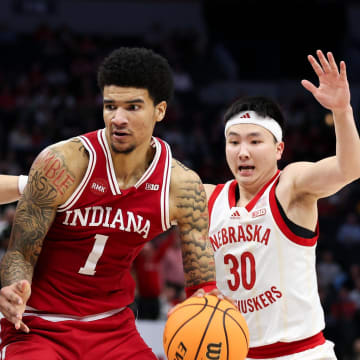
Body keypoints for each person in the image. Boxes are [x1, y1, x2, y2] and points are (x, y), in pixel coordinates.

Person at [0, 47, 219, 360]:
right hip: (38, 325)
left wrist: (206, 307)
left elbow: (202, 284)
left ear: (160, 110)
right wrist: (12, 286)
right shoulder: (63, 163)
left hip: (114, 330)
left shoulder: (182, 187)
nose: (118, 118)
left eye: (132, 107)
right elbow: (19, 252)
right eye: (110, 106)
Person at [205, 50, 360, 359]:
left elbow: (350, 168)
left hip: (301, 354)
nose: (243, 152)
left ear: (279, 149)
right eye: (233, 142)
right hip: (237, 353)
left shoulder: (289, 186)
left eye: (254, 141)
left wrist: (342, 112)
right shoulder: (208, 197)